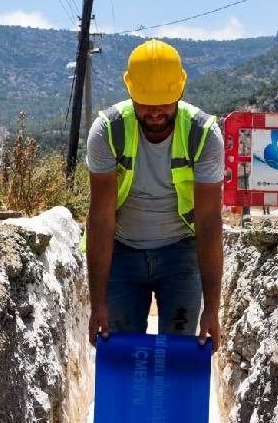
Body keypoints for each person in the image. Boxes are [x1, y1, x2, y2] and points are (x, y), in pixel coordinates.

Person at [85, 40, 224, 350]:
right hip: (121, 253)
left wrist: (212, 308)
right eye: (146, 103)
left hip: (181, 253)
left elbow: (209, 223)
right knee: (120, 350)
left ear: (180, 92)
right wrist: (97, 304)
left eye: (164, 102)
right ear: (131, 92)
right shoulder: (108, 130)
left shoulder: (203, 135)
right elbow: (101, 219)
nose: (155, 113)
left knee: (178, 353)